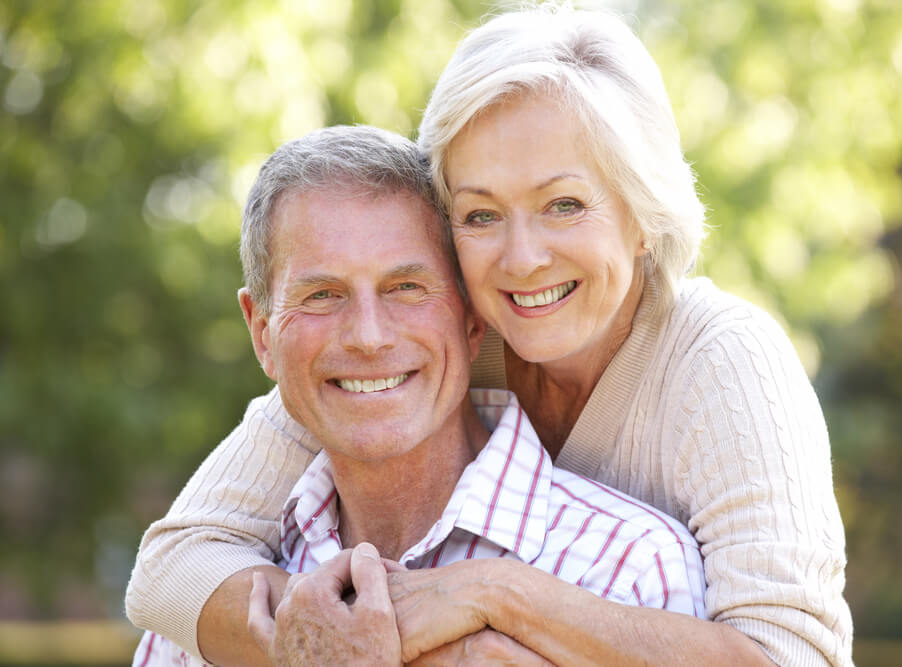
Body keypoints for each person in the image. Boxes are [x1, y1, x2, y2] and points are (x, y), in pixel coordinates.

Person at [126, 4, 853, 666]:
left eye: (564, 204)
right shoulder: (433, 344)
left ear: (643, 211)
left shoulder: (722, 361)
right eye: (480, 215)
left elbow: (794, 658)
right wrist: (337, 637)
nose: (523, 257)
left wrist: (496, 595)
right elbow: (169, 569)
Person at [129, 124, 706, 666]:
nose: (369, 337)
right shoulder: (205, 608)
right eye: (323, 295)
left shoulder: (630, 570)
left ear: (472, 319)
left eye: (406, 288)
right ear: (261, 334)